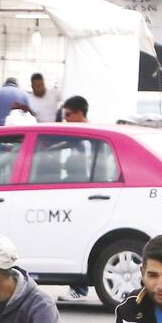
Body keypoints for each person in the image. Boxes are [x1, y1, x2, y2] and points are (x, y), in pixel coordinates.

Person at [57, 96, 93, 303]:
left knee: (79, 239)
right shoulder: (80, 136)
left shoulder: (85, 138)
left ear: (80, 113)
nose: (66, 119)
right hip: (81, 195)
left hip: (83, 197)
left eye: (69, 115)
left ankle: (79, 288)